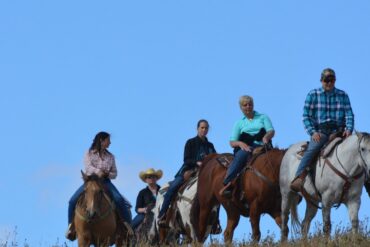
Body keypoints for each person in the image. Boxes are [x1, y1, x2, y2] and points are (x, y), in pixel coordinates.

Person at [290, 68, 354, 192]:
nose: (329, 83)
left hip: (340, 131)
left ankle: (366, 182)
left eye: (332, 80)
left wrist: (349, 129)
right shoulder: (313, 94)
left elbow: (349, 114)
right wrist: (313, 132)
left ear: (335, 80)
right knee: (312, 149)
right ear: (321, 80)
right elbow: (306, 116)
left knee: (359, 149)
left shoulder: (343, 95)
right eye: (326, 80)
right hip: (321, 132)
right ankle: (299, 177)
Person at [65, 131, 133, 241]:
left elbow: (115, 173)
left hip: (105, 182)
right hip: (90, 181)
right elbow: (88, 167)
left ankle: (127, 227)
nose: (110, 143)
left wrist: (107, 174)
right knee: (72, 200)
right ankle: (71, 227)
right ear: (101, 140)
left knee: (119, 199)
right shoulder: (89, 153)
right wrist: (99, 171)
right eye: (108, 140)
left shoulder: (111, 157)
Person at [157, 119, 217, 225]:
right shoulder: (190, 142)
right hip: (189, 170)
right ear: (197, 128)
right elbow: (186, 159)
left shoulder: (210, 146)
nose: (204, 130)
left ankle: (215, 222)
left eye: (206, 128)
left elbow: (214, 159)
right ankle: (163, 214)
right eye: (202, 127)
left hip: (205, 174)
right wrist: (197, 163)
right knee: (172, 188)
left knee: (217, 193)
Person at [220, 95, 275, 198]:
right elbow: (232, 142)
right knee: (241, 156)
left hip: (263, 145)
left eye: (250, 104)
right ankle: (228, 183)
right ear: (241, 107)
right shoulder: (239, 123)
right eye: (245, 105)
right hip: (247, 147)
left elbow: (271, 130)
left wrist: (266, 137)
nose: (248, 107)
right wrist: (241, 144)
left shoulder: (263, 117)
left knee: (278, 159)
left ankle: (288, 187)